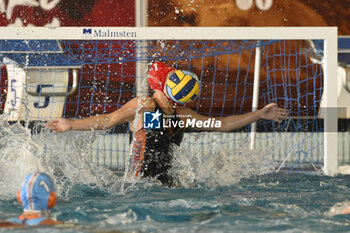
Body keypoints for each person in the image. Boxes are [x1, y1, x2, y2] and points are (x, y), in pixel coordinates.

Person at [46, 61, 288, 186]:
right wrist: (71, 124)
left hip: (164, 185)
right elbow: (109, 120)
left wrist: (258, 114)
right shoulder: (144, 105)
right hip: (137, 186)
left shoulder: (180, 113)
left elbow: (220, 124)